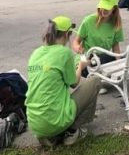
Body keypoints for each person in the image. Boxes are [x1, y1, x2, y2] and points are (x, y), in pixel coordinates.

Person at [25, 16, 101, 147]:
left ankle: (50, 136)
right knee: (95, 81)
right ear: (67, 34)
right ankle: (72, 131)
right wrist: (81, 66)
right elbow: (74, 83)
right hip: (55, 120)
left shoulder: (35, 53)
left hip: (35, 124)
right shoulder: (64, 53)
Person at [72, 0, 124, 94]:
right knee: (102, 58)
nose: (103, 10)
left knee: (123, 58)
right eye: (102, 6)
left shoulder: (116, 23)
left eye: (107, 8)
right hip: (87, 61)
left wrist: (120, 65)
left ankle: (100, 79)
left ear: (114, 8)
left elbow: (115, 46)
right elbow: (76, 42)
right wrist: (77, 48)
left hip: (102, 60)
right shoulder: (88, 21)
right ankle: (95, 82)